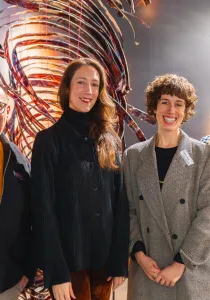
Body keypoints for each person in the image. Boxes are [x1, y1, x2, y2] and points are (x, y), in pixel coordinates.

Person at [31, 58, 129, 300]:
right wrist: (56, 273)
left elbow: (120, 204)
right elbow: (43, 211)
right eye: (81, 83)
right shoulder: (48, 141)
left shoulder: (110, 140)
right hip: (69, 266)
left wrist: (119, 261)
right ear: (67, 88)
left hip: (104, 265)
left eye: (95, 85)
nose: (88, 91)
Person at [124, 74, 210, 300]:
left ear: (186, 110)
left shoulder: (203, 155)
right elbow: (128, 209)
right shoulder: (133, 156)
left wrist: (181, 263)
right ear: (154, 107)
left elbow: (208, 214)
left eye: (178, 104)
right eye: (165, 102)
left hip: (189, 272)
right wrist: (139, 255)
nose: (171, 110)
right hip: (147, 272)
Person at [0, 75, 35, 299]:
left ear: (7, 111)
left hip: (7, 289)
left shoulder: (19, 161)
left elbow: (32, 222)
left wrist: (28, 269)